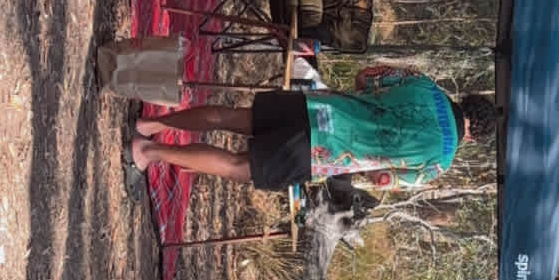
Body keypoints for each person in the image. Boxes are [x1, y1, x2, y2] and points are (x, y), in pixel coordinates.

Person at [130, 63, 496, 195]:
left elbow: (367, 76)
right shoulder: (439, 163)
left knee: (233, 117)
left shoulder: (425, 84)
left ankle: (153, 123)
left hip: (319, 107)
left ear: (466, 98)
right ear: (474, 137)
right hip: (325, 153)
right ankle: (150, 152)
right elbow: (383, 180)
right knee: (236, 165)